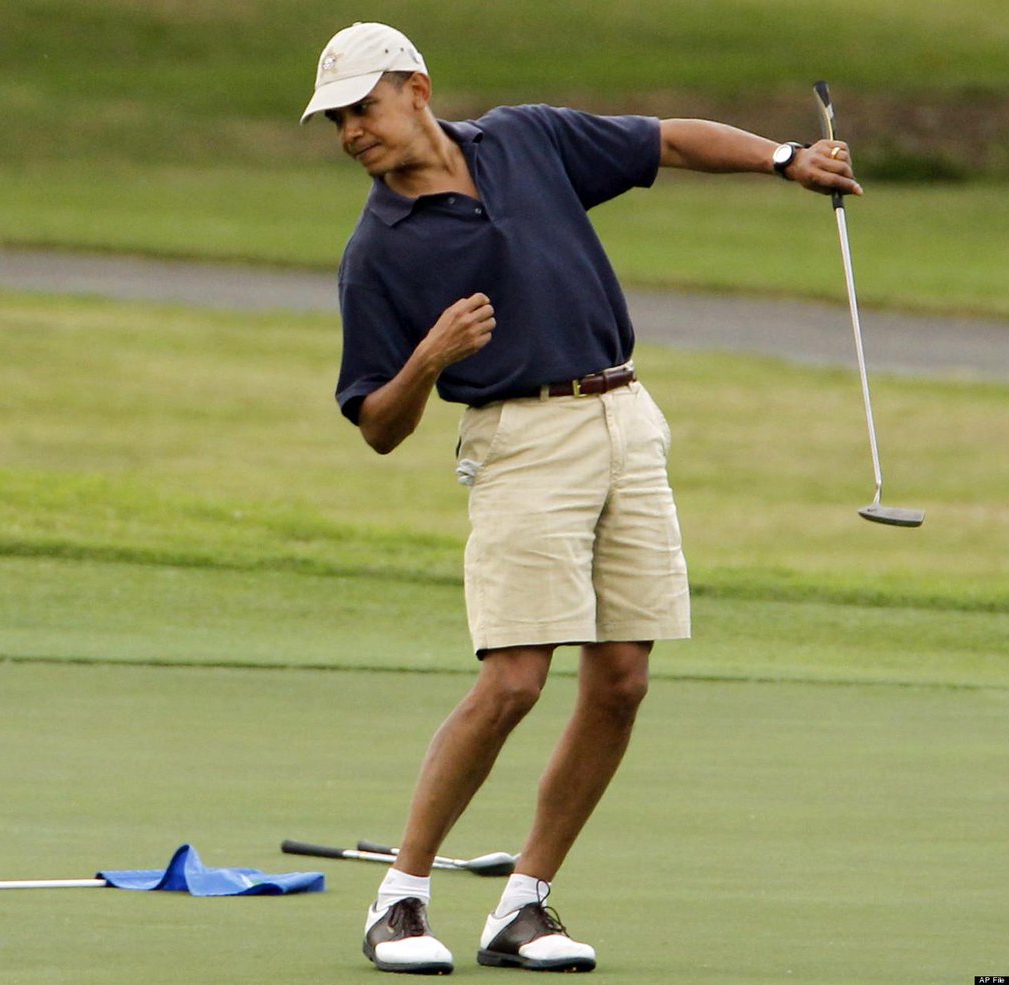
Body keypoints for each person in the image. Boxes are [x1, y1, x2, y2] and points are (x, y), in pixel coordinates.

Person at [299, 22, 862, 976]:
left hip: (625, 415)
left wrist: (784, 158)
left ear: (416, 90)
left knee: (622, 679)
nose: (351, 131)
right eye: (336, 120)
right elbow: (378, 425)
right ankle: (399, 898)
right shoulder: (378, 250)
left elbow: (667, 140)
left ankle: (523, 904)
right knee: (515, 678)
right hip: (518, 441)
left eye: (363, 108)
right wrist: (428, 359)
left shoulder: (526, 139)